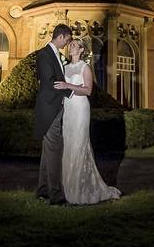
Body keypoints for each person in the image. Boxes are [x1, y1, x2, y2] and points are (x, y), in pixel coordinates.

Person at [53, 38, 121, 205]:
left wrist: (67, 85)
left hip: (80, 109)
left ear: (82, 50)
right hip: (68, 109)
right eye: (70, 44)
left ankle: (81, 189)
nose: (71, 46)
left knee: (79, 145)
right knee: (68, 145)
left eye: (75, 45)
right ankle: (68, 188)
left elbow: (88, 90)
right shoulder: (65, 67)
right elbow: (61, 88)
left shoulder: (85, 67)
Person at [34, 23, 73, 205]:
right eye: (67, 39)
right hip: (50, 108)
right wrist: (72, 92)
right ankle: (56, 196)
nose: (67, 43)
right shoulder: (44, 54)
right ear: (61, 36)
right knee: (55, 151)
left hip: (54, 107)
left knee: (48, 151)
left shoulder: (55, 54)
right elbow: (50, 83)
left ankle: (42, 190)